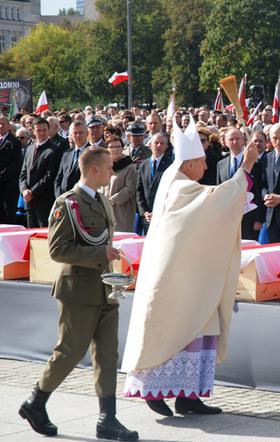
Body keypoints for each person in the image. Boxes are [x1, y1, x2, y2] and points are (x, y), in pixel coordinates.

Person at [122, 116, 257, 417]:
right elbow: (214, 204)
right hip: (176, 278)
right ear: (188, 164)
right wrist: (245, 166)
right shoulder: (180, 187)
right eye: (202, 162)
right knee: (172, 329)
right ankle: (153, 391)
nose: (207, 167)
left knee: (198, 327)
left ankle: (189, 396)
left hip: (190, 275)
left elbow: (212, 207)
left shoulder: (181, 183)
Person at [19, 148, 138, 441]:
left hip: (105, 287)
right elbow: (58, 250)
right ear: (94, 170)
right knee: (69, 352)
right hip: (79, 289)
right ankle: (35, 403)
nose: (112, 172)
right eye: (109, 167)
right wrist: (101, 252)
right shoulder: (69, 203)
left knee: (108, 355)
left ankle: (107, 419)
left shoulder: (101, 201)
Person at [217, 128, 265, 240]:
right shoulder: (221, 164)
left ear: (243, 140)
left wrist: (259, 218)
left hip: (250, 217)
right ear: (224, 141)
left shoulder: (254, 161)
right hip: (229, 217)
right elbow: (219, 191)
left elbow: (258, 189)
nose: (234, 142)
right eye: (231, 139)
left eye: (237, 138)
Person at [19, 117, 63, 227]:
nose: (42, 133)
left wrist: (32, 192)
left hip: (45, 201)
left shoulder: (54, 150)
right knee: (31, 234)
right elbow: (23, 173)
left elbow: (50, 176)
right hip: (29, 202)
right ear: (33, 131)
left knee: (44, 235)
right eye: (39, 130)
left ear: (48, 130)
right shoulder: (30, 148)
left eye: (44, 130)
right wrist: (24, 190)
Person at [136, 133, 173, 234]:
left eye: (162, 143)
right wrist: (144, 212)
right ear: (150, 144)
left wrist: (158, 213)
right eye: (156, 143)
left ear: (166, 146)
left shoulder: (171, 165)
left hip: (163, 217)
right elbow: (139, 192)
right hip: (147, 219)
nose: (158, 146)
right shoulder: (143, 165)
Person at [100, 137, 137, 232]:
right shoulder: (104, 167)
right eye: (111, 147)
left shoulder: (129, 167)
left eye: (118, 146)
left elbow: (130, 188)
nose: (115, 149)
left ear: (122, 148)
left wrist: (112, 200)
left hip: (121, 211)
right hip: (105, 210)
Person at [55, 121, 90, 197]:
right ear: (70, 135)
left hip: (82, 199)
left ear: (87, 133)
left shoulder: (93, 153)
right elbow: (59, 178)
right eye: (75, 133)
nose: (78, 135)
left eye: (81, 132)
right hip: (64, 199)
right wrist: (59, 196)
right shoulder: (66, 154)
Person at [0, 115, 22, 223]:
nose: (0, 126)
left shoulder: (15, 142)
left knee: (8, 217)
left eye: (3, 124)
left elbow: (15, 165)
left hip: (8, 187)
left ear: (9, 126)